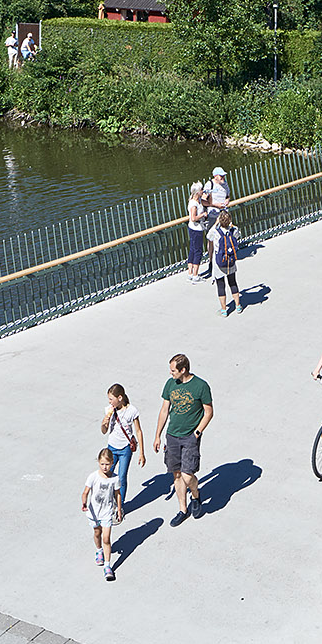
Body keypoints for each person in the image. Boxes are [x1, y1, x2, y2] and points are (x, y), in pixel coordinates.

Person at [154, 353, 212, 525]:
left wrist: (197, 432)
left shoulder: (201, 386)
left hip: (190, 436)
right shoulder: (170, 384)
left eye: (173, 370)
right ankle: (182, 509)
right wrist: (157, 435)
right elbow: (164, 410)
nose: (171, 373)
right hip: (172, 435)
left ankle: (196, 495)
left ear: (183, 370)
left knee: (187, 475)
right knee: (177, 474)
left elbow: (208, 412)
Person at [81, 447, 123, 581]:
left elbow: (117, 494)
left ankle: (108, 566)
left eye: (107, 464)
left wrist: (119, 509)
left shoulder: (115, 478)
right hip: (94, 512)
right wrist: (84, 503)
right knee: (97, 533)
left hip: (107, 512)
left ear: (112, 463)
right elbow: (85, 492)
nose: (105, 467)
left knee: (106, 538)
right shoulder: (93, 476)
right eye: (102, 464)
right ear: (98, 462)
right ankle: (99, 551)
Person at [100, 384, 145, 505]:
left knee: (121, 478)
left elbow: (138, 431)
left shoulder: (132, 411)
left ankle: (120, 505)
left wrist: (142, 453)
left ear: (119, 398)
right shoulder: (109, 410)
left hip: (125, 449)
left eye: (111, 399)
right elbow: (104, 431)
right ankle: (107, 501)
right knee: (107, 475)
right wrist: (105, 421)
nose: (109, 402)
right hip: (112, 448)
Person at [210, 208, 243, 316]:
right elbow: (238, 235)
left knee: (221, 285)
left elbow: (208, 236)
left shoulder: (216, 232)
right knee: (233, 282)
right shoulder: (233, 230)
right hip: (230, 261)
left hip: (219, 262)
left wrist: (215, 224)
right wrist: (232, 226)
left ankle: (224, 310)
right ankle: (238, 306)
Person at [185, 182, 209, 282]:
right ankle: (195, 275)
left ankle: (190, 272)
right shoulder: (194, 204)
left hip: (195, 228)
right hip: (196, 229)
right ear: (197, 192)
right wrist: (203, 214)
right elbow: (193, 218)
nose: (202, 191)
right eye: (201, 189)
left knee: (192, 249)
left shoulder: (198, 200)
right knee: (198, 251)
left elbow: (205, 201)